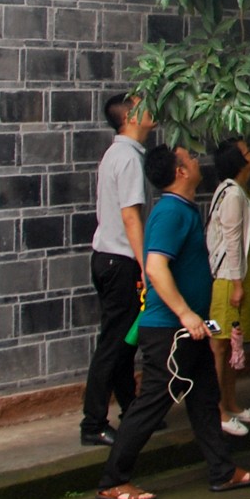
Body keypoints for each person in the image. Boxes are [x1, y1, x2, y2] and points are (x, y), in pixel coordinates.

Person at [95, 144, 250, 499]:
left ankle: (222, 471)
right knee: (153, 403)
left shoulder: (182, 208)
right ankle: (114, 480)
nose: (196, 159)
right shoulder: (171, 212)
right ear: (180, 172)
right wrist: (186, 314)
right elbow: (155, 267)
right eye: (189, 157)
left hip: (189, 327)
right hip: (170, 329)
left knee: (205, 399)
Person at [80, 93, 153, 447]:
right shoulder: (127, 158)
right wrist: (145, 265)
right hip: (120, 261)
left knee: (123, 341)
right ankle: (93, 423)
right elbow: (130, 216)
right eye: (142, 104)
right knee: (113, 344)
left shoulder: (119, 154)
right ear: (130, 117)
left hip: (109, 258)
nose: (150, 108)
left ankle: (132, 409)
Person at [206, 136, 250, 435]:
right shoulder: (232, 195)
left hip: (239, 275)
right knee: (220, 344)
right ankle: (217, 409)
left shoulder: (241, 191)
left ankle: (230, 403)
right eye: (248, 150)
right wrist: (238, 284)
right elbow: (231, 241)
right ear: (238, 161)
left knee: (231, 344)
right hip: (229, 278)